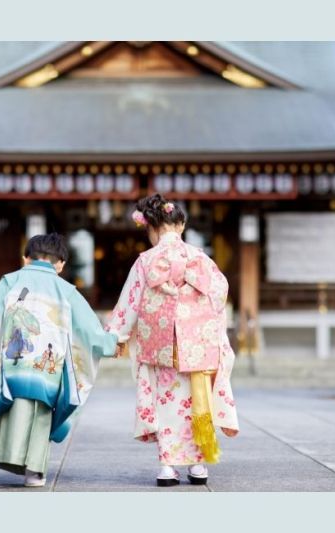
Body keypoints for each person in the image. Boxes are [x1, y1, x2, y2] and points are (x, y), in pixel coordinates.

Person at [0, 233, 117, 487]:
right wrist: (112, 343)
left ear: (26, 259)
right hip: (47, 372)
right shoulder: (67, 291)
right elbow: (91, 333)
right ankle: (34, 472)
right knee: (40, 416)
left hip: (11, 368)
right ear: (60, 264)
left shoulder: (9, 282)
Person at [107, 194, 240, 487]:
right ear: (180, 225)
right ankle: (198, 465)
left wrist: (117, 334)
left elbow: (131, 300)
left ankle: (168, 466)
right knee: (196, 400)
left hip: (161, 342)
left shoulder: (146, 260)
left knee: (166, 401)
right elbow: (219, 294)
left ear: (152, 228)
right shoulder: (200, 258)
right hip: (197, 342)